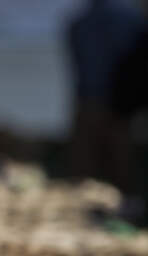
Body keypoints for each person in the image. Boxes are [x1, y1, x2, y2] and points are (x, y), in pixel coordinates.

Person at [66, 0, 148, 223]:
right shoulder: (132, 17)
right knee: (120, 163)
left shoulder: (78, 20)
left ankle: (81, 215)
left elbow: (75, 60)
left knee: (84, 164)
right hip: (120, 102)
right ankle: (124, 212)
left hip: (87, 99)